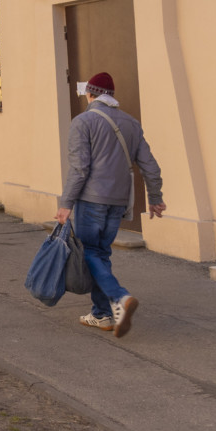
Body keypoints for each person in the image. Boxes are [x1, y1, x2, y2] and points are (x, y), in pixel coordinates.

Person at [55, 72, 165, 338]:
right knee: (100, 255)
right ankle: (102, 314)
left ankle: (120, 298)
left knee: (89, 252)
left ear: (90, 95)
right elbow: (150, 166)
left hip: (91, 199)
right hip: (118, 201)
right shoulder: (131, 123)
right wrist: (155, 198)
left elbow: (79, 168)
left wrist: (66, 203)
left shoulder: (83, 122)